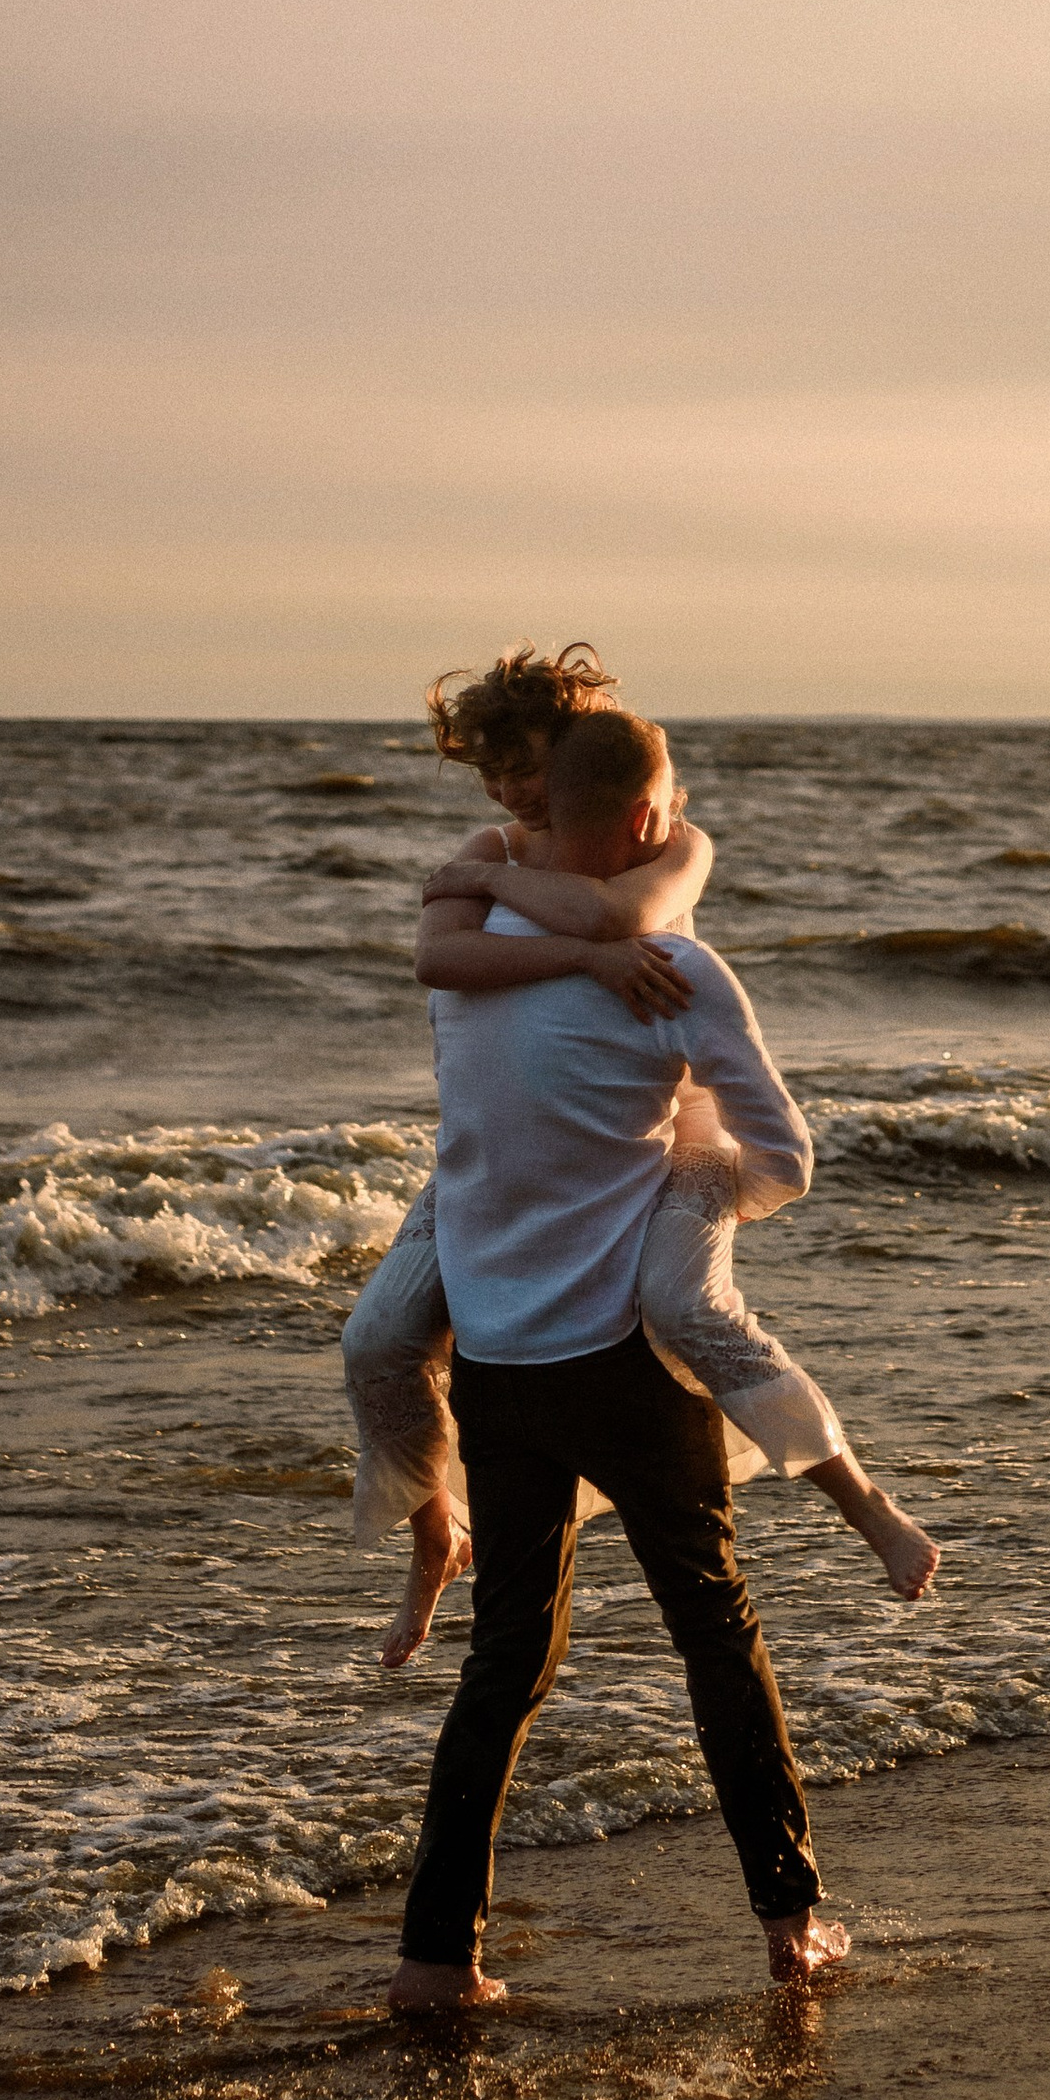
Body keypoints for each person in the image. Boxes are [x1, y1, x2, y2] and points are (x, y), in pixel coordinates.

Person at [342, 644, 937, 1667]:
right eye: (488, 777)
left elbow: (619, 913)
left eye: (522, 765)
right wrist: (568, 945)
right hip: (498, 1159)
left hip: (668, 1152)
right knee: (376, 1341)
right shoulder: (496, 843)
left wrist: (500, 888)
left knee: (689, 1309)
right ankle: (438, 1538)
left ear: (578, 743)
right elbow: (441, 957)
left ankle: (863, 1500)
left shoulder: (670, 840)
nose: (507, 794)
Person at [389, 703, 846, 2005]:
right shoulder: (677, 971)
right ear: (649, 820)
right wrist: (687, 1177)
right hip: (623, 1365)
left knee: (506, 1659)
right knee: (715, 1629)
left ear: (536, 812)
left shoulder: (472, 954)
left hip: (496, 1366)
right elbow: (787, 1161)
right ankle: (789, 1922)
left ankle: (434, 1956)